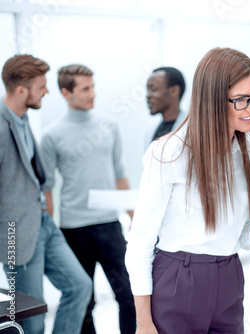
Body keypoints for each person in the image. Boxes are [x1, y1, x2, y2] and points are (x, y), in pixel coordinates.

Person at [125, 47, 250, 334]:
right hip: (178, 277)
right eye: (241, 100)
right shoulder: (169, 153)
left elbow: (244, 235)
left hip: (229, 275)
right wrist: (143, 322)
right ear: (212, 101)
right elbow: (140, 243)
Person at [40, 64, 136, 334]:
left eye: (92, 86)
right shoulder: (50, 135)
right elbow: (47, 190)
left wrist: (134, 219)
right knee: (83, 301)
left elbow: (120, 176)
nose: (92, 93)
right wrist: (48, 233)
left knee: (128, 296)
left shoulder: (109, 125)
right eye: (85, 89)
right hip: (73, 231)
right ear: (65, 92)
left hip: (109, 227)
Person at [0, 55, 92, 334]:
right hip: (16, 233)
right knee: (32, 318)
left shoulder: (23, 119)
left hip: (43, 224)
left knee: (80, 286)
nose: (47, 91)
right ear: (21, 90)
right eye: (41, 86)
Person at [144, 66, 187, 148]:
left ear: (174, 91)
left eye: (153, 89)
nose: (148, 95)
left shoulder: (192, 130)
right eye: (147, 90)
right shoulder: (150, 132)